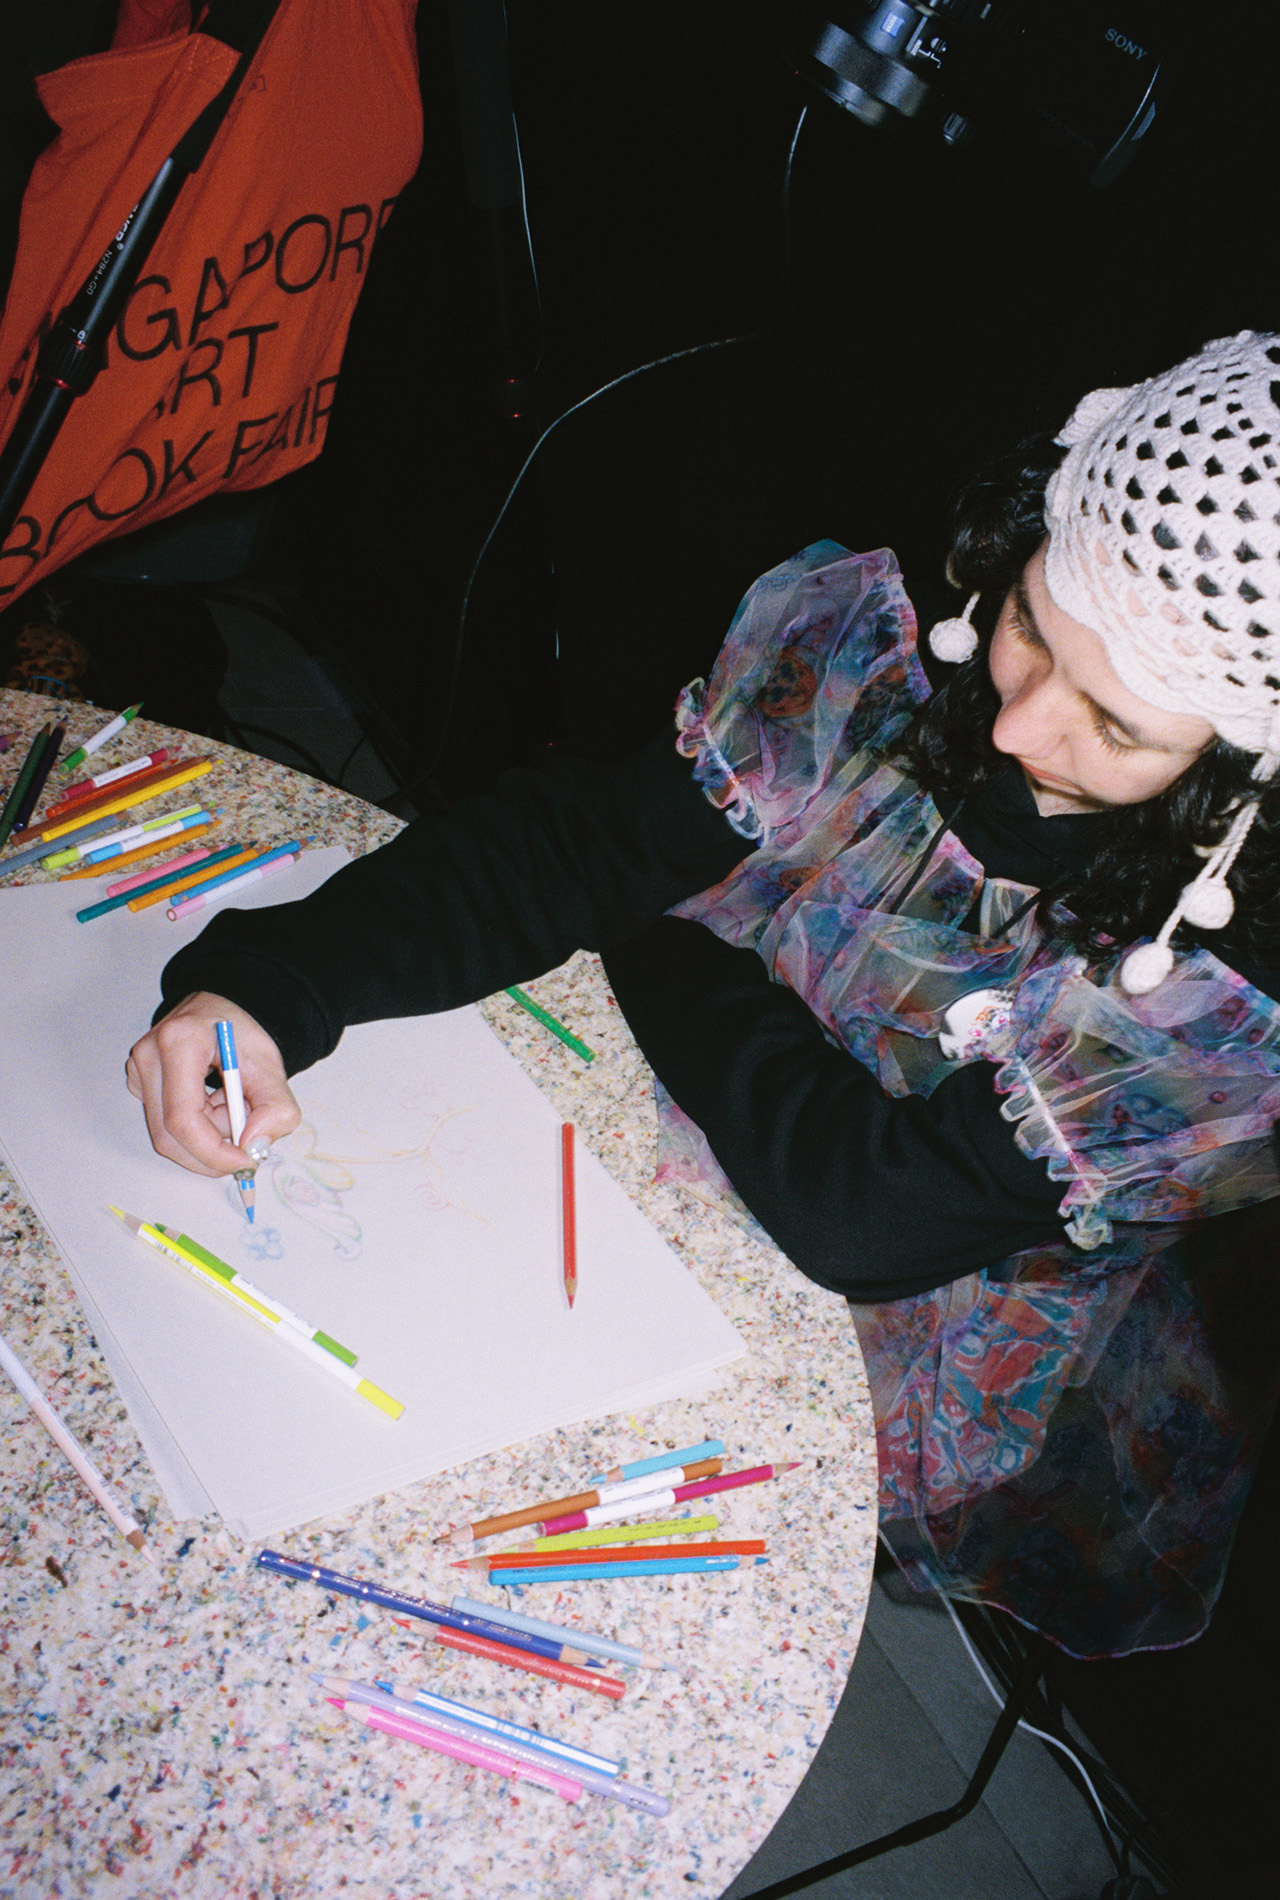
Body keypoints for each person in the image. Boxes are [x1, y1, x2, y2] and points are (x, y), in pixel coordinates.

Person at [126, 330, 1280, 1657]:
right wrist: (270, 981)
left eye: (1116, 726)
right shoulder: (887, 651)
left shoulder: (1240, 1000)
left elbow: (861, 1214)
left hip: (896, 1316)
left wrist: (660, 935)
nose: (1018, 725)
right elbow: (579, 847)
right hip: (687, 1096)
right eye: (1029, 623)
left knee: (481, 1532)